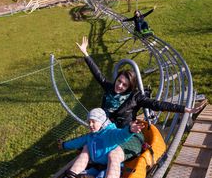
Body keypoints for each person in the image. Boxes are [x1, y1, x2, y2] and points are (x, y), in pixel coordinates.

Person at [76, 36, 207, 128]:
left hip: (121, 130)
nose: (119, 86)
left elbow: (157, 104)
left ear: (130, 87)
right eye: (119, 81)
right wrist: (86, 53)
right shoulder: (109, 87)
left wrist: (185, 109)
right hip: (103, 125)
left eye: (124, 84)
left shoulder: (135, 98)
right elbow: (98, 74)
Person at [38, 108, 144, 178]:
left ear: (102, 121)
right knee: (79, 175)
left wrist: (130, 130)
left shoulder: (110, 133)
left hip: (107, 168)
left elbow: (121, 135)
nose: (90, 125)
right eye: (89, 122)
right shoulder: (91, 136)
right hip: (96, 166)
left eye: (94, 121)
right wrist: (64, 145)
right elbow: (77, 142)